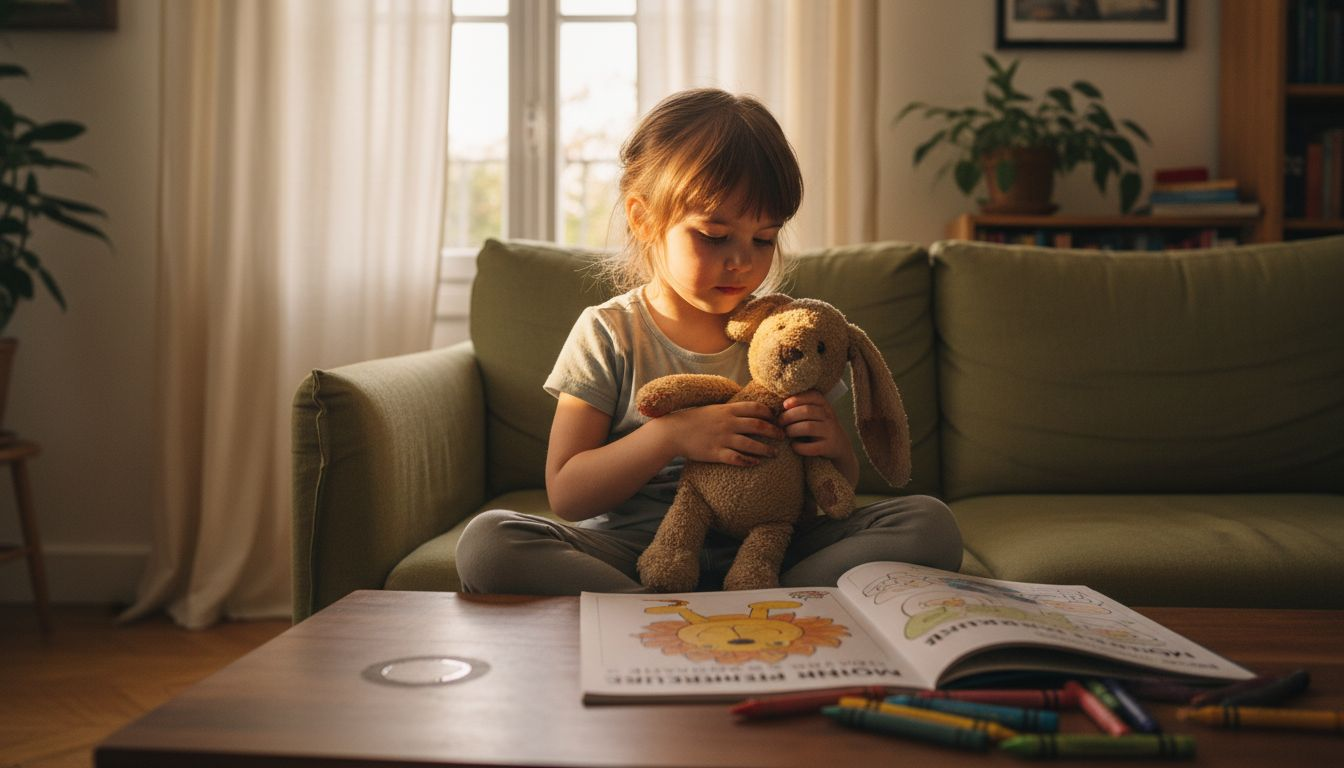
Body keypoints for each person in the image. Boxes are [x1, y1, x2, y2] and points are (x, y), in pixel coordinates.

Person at [455, 88, 962, 594]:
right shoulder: (610, 332)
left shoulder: (785, 332)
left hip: (771, 547)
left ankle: (767, 595)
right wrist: (671, 435)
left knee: (928, 525)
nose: (742, 260)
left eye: (764, 238)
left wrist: (834, 445)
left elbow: (835, 485)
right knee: (489, 542)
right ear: (644, 219)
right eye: (714, 236)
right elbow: (567, 493)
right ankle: (666, 604)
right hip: (639, 549)